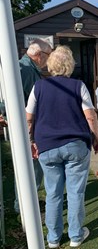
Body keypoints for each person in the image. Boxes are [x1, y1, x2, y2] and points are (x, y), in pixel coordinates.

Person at [25, 45, 98, 249]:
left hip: (47, 146)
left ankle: (53, 238)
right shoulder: (79, 86)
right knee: (76, 192)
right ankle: (76, 236)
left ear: (50, 64)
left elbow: (29, 118)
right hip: (76, 144)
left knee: (53, 193)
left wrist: (31, 141)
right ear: (70, 65)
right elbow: (90, 116)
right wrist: (96, 139)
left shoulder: (38, 87)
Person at [14, 38, 53, 213]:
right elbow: (31, 103)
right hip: (29, 127)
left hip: (30, 125)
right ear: (39, 55)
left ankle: (28, 203)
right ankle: (25, 207)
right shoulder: (27, 71)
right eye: (49, 55)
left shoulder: (28, 68)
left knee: (32, 166)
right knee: (32, 166)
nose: (49, 59)